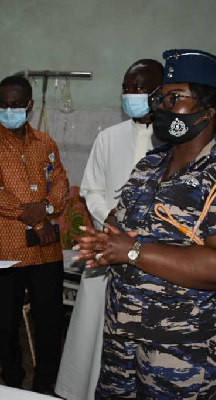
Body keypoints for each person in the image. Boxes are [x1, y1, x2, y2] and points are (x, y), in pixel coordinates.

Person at [73, 49, 216, 398]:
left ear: (208, 110)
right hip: (122, 333)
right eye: (160, 97)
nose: (161, 106)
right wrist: (106, 244)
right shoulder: (150, 164)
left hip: (183, 349)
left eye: (174, 98)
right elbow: (121, 224)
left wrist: (132, 252)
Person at [55, 59, 163, 400]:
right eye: (127, 88)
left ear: (161, 93)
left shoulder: (173, 142)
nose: (131, 95)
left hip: (153, 252)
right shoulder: (109, 138)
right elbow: (91, 190)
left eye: (140, 88)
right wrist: (110, 219)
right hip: (107, 243)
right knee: (94, 328)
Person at [0, 75, 69, 394]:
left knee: (50, 319)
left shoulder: (46, 143)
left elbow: (61, 182)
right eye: (3, 104)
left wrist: (47, 209)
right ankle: (12, 380)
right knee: (6, 321)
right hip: (5, 247)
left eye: (16, 104)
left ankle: (46, 381)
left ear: (30, 105)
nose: (9, 109)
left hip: (46, 249)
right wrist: (34, 215)